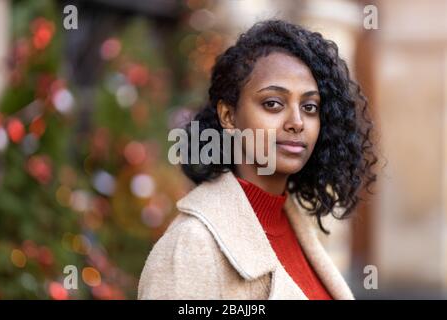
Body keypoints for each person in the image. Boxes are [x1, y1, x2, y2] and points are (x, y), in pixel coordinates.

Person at [138, 19, 377, 300]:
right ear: (228, 116)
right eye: (273, 103)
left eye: (310, 107)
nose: (297, 122)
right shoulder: (192, 245)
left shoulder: (296, 227)